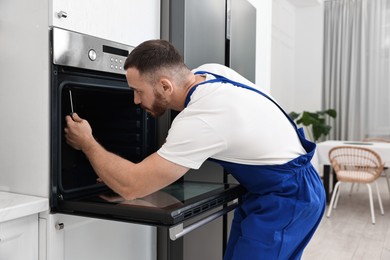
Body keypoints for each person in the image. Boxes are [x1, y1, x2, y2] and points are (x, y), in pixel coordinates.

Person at [64, 39, 326, 260]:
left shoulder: (202, 117)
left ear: (166, 86)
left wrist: (87, 142)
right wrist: (118, 169)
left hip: (289, 197)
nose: (135, 100)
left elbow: (132, 186)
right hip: (268, 190)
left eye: (137, 91)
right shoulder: (209, 72)